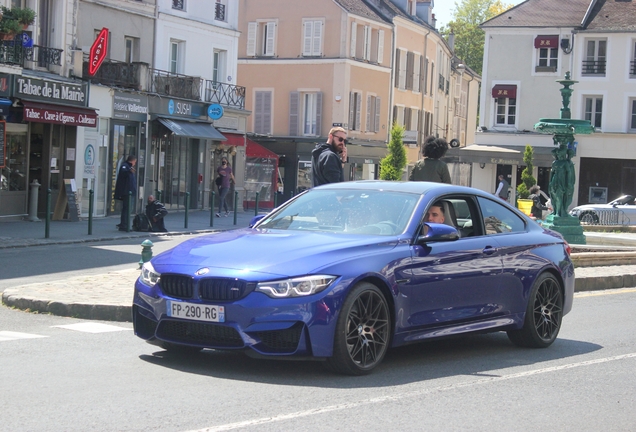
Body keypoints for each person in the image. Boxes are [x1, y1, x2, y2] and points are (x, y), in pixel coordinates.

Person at [114, 155, 137, 231]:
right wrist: (129, 171)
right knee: (127, 209)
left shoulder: (129, 167)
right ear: (132, 161)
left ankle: (124, 224)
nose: (135, 163)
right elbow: (123, 173)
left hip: (130, 192)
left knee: (127, 209)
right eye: (134, 162)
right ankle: (124, 225)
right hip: (127, 192)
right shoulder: (125, 166)